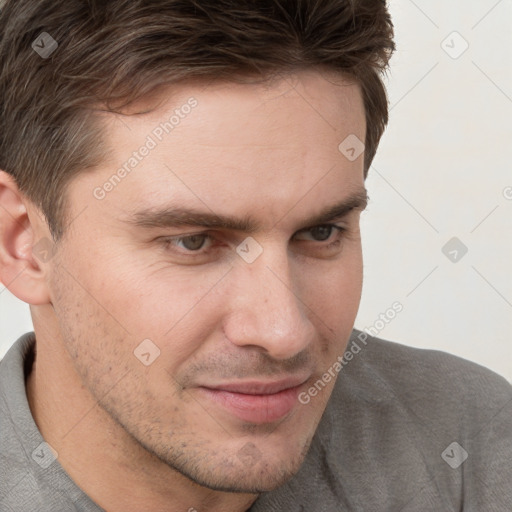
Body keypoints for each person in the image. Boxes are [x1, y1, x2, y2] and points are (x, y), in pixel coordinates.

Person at [0, 0, 510, 510]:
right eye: (193, 242)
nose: (283, 332)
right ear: (21, 244)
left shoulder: (472, 451)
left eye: (321, 232)